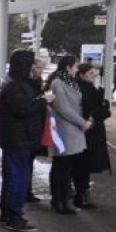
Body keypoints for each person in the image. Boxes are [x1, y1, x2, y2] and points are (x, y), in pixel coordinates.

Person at [0, 49, 52, 232]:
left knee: (12, 177)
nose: (34, 68)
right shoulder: (15, 86)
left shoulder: (18, 84)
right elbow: (23, 109)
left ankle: (7, 214)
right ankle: (14, 216)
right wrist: (43, 101)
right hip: (18, 139)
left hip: (18, 138)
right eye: (31, 64)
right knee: (17, 178)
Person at [47, 55, 92, 215]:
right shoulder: (58, 83)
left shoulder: (70, 82)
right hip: (64, 130)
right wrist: (82, 122)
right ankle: (58, 201)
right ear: (68, 67)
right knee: (61, 167)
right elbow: (63, 108)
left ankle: (63, 200)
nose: (77, 69)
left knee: (66, 168)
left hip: (72, 130)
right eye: (75, 66)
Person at [72, 63, 111, 209]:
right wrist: (102, 108)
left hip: (89, 131)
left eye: (94, 73)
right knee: (82, 164)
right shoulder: (84, 90)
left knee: (83, 164)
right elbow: (95, 111)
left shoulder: (87, 88)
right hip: (87, 131)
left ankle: (82, 194)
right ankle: (81, 195)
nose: (93, 75)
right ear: (81, 74)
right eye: (90, 73)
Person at [24, 58, 46, 203]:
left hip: (36, 126)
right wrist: (43, 100)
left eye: (41, 68)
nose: (40, 70)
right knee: (26, 161)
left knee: (30, 161)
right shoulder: (29, 84)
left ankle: (28, 190)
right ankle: (26, 191)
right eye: (38, 67)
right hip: (30, 127)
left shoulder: (38, 82)